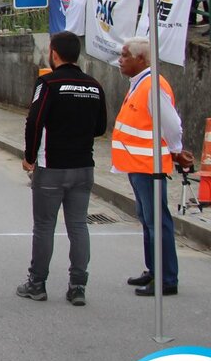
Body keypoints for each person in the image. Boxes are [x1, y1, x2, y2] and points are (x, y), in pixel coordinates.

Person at [17, 32, 107, 306]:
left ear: (54, 53)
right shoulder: (94, 86)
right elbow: (101, 127)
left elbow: (34, 120)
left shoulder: (48, 83)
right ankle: (78, 286)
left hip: (52, 166)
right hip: (83, 167)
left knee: (44, 226)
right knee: (78, 226)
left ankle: (37, 283)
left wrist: (30, 156)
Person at [113, 37, 194, 298]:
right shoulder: (140, 84)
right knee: (148, 220)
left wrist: (177, 151)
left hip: (151, 165)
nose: (120, 60)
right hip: (139, 164)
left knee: (157, 221)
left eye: (125, 55)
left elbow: (171, 125)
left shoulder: (153, 85)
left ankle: (167, 278)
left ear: (142, 60)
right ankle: (154, 269)